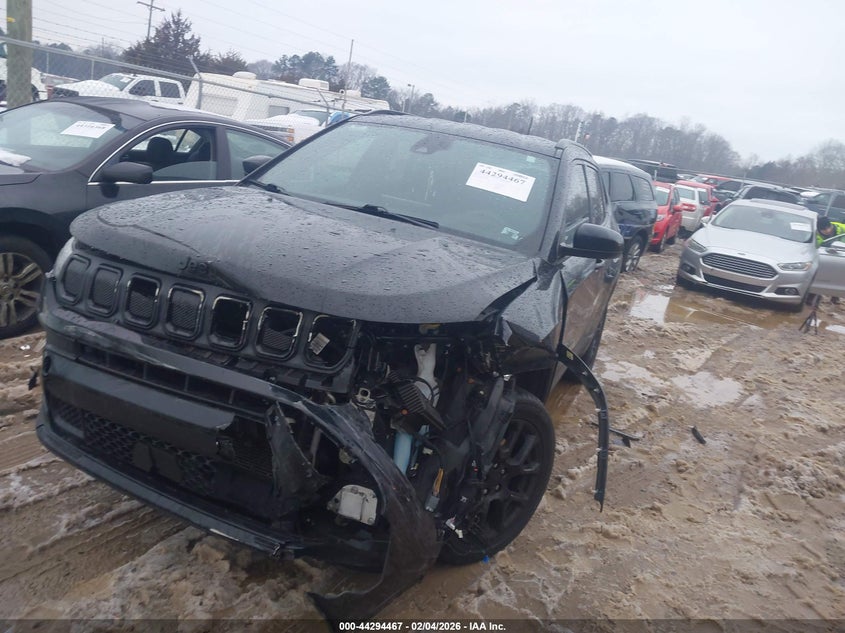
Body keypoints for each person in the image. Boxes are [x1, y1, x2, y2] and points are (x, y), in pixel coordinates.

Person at [808, 217, 845, 305]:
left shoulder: (842, 228)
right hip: (825, 259)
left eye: (829, 227)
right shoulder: (815, 235)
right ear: (819, 229)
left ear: (831, 225)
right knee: (820, 277)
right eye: (824, 229)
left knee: (840, 277)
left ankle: (835, 297)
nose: (828, 230)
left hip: (841, 258)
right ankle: (812, 296)